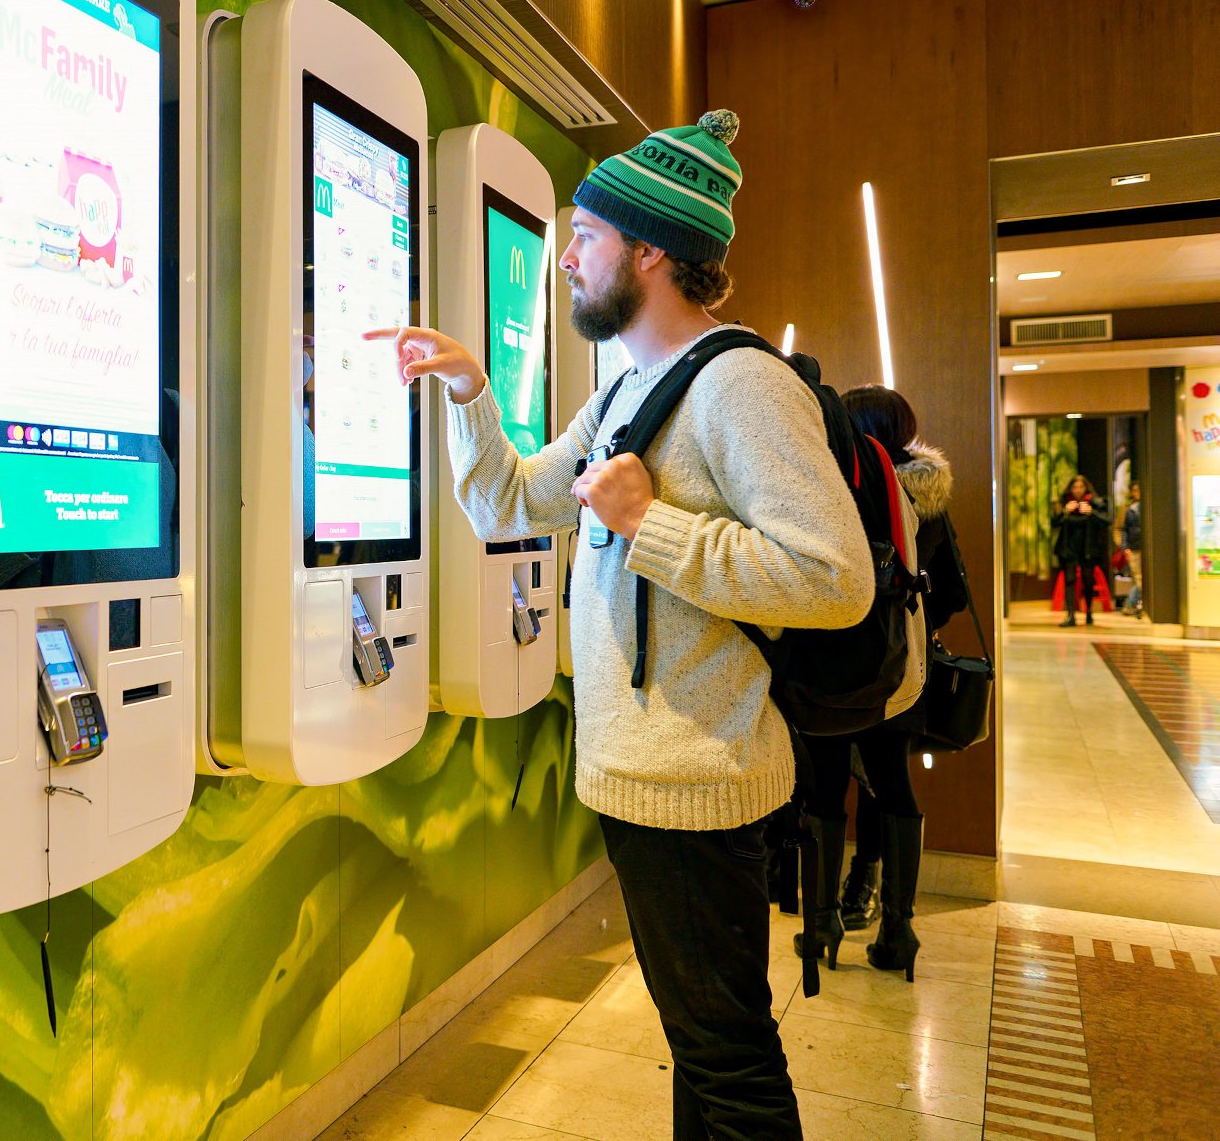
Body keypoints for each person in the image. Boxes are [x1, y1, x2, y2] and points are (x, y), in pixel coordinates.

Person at [368, 110, 873, 1140]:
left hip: (701, 783)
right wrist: (469, 390)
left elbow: (836, 578)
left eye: (586, 237)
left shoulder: (742, 385)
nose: (566, 264)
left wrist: (652, 524)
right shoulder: (624, 390)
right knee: (703, 1046)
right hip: (644, 780)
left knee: (728, 1060)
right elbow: (512, 504)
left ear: (651, 250)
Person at [794, 386, 966, 982]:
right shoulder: (927, 496)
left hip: (829, 665)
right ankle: (899, 928)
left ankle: (821, 924)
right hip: (899, 673)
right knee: (893, 786)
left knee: (824, 787)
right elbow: (948, 594)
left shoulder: (832, 485)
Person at [1052, 475, 1111, 626]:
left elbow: (1107, 521)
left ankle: (1089, 611)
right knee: (1069, 580)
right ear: (1071, 489)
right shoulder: (1064, 503)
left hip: (1088, 547)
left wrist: (1091, 512)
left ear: (1086, 488)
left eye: (1081, 487)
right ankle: (1071, 614)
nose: (1078, 490)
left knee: (1088, 580)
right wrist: (1065, 511)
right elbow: (1053, 522)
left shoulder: (1095, 503)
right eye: (1075, 487)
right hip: (1069, 547)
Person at [1120, 482, 1144, 616]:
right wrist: (1124, 546)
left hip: (1144, 547)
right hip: (1133, 547)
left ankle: (1132, 603)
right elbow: (1123, 529)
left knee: (1140, 579)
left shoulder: (1145, 507)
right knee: (1138, 578)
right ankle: (1131, 603)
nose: (1136, 493)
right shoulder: (1129, 509)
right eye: (1134, 490)